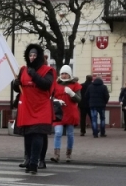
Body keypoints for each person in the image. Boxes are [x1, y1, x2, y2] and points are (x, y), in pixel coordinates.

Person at [12, 44, 56, 175]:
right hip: (27, 106)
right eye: (30, 55)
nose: (32, 57)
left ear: (39, 56)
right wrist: (15, 84)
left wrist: (35, 75)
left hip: (41, 107)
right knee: (29, 135)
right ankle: (29, 159)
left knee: (37, 134)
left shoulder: (48, 70)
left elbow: (46, 85)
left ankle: (34, 163)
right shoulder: (23, 70)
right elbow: (18, 87)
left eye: (35, 55)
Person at [50, 66, 81, 163]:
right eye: (62, 73)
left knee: (70, 134)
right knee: (58, 133)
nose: (64, 75)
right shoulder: (55, 84)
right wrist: (56, 100)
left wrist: (72, 93)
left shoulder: (75, 85)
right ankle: (56, 155)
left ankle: (68, 154)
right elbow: (49, 97)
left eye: (66, 73)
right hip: (59, 112)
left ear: (69, 74)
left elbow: (79, 99)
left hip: (70, 112)